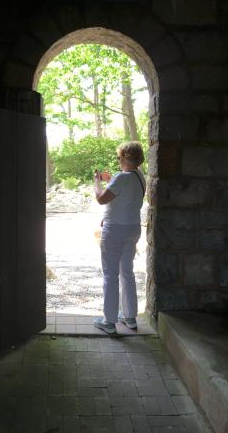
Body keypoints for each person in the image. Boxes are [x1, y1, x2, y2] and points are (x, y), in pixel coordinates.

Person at [93, 141, 146, 335]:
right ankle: (130, 317)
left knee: (110, 274)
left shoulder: (121, 177)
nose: (118, 160)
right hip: (132, 229)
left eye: (119, 157)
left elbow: (101, 199)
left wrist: (97, 182)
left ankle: (109, 321)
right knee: (127, 272)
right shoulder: (140, 176)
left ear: (124, 157)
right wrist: (110, 181)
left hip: (115, 231)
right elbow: (125, 199)